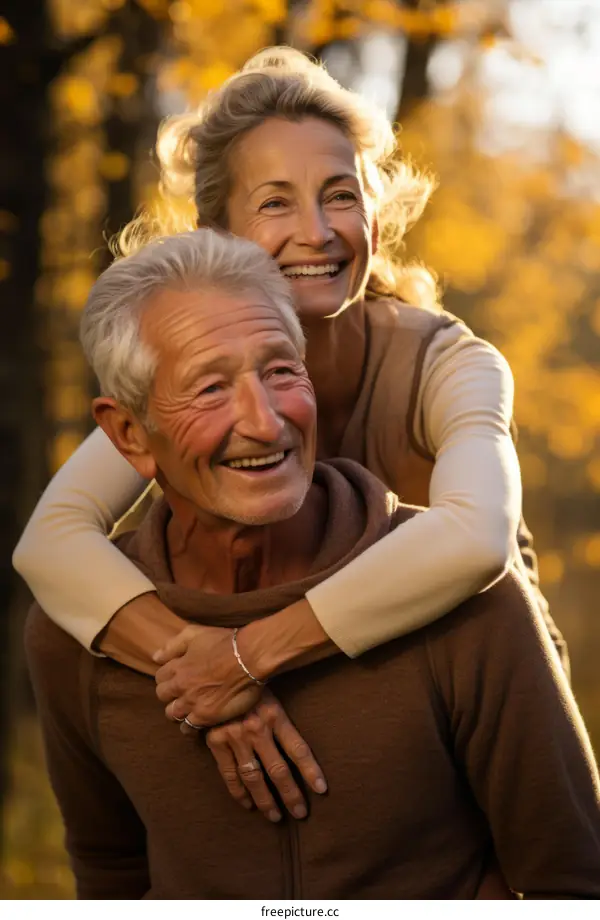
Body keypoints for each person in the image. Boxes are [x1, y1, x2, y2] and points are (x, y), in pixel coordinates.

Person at [14, 47, 567, 804]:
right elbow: (51, 541)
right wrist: (200, 673)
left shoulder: (449, 363)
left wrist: (243, 660)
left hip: (483, 743)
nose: (317, 231)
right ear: (217, 229)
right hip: (325, 737)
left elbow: (477, 540)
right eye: (275, 202)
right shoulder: (195, 388)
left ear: (374, 211)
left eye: (340, 195)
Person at [25, 231, 600, 899]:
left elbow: (574, 885)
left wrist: (241, 660)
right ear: (128, 433)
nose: (266, 424)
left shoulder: (474, 609)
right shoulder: (71, 643)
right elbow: (111, 881)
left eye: (280, 371)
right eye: (210, 388)